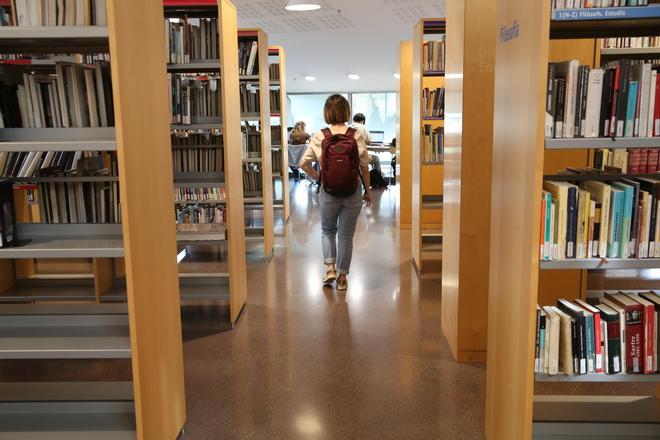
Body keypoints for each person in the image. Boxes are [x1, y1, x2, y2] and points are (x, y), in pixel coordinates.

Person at [300, 94, 371, 291]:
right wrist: (368, 191)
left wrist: (318, 177)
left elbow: (303, 163)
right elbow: (364, 167)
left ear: (327, 112)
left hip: (328, 191)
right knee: (346, 235)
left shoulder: (319, 136)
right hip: (352, 190)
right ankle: (342, 278)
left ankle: (330, 268)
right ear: (347, 112)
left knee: (328, 230)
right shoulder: (355, 135)